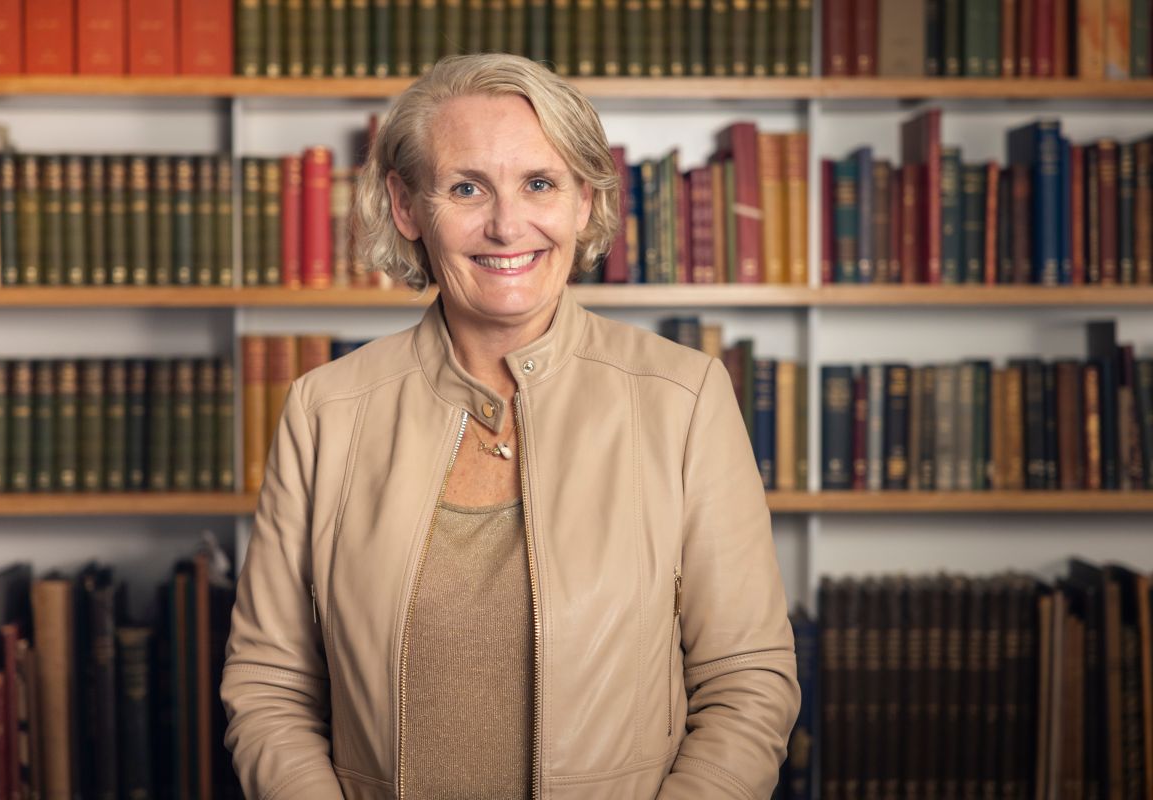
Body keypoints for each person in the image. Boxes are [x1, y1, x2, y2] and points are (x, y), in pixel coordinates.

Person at [220, 52, 799, 800]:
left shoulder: (683, 399)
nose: (506, 225)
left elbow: (747, 683)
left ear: (583, 200)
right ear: (407, 207)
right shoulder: (324, 412)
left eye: (538, 183)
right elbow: (269, 687)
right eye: (467, 188)